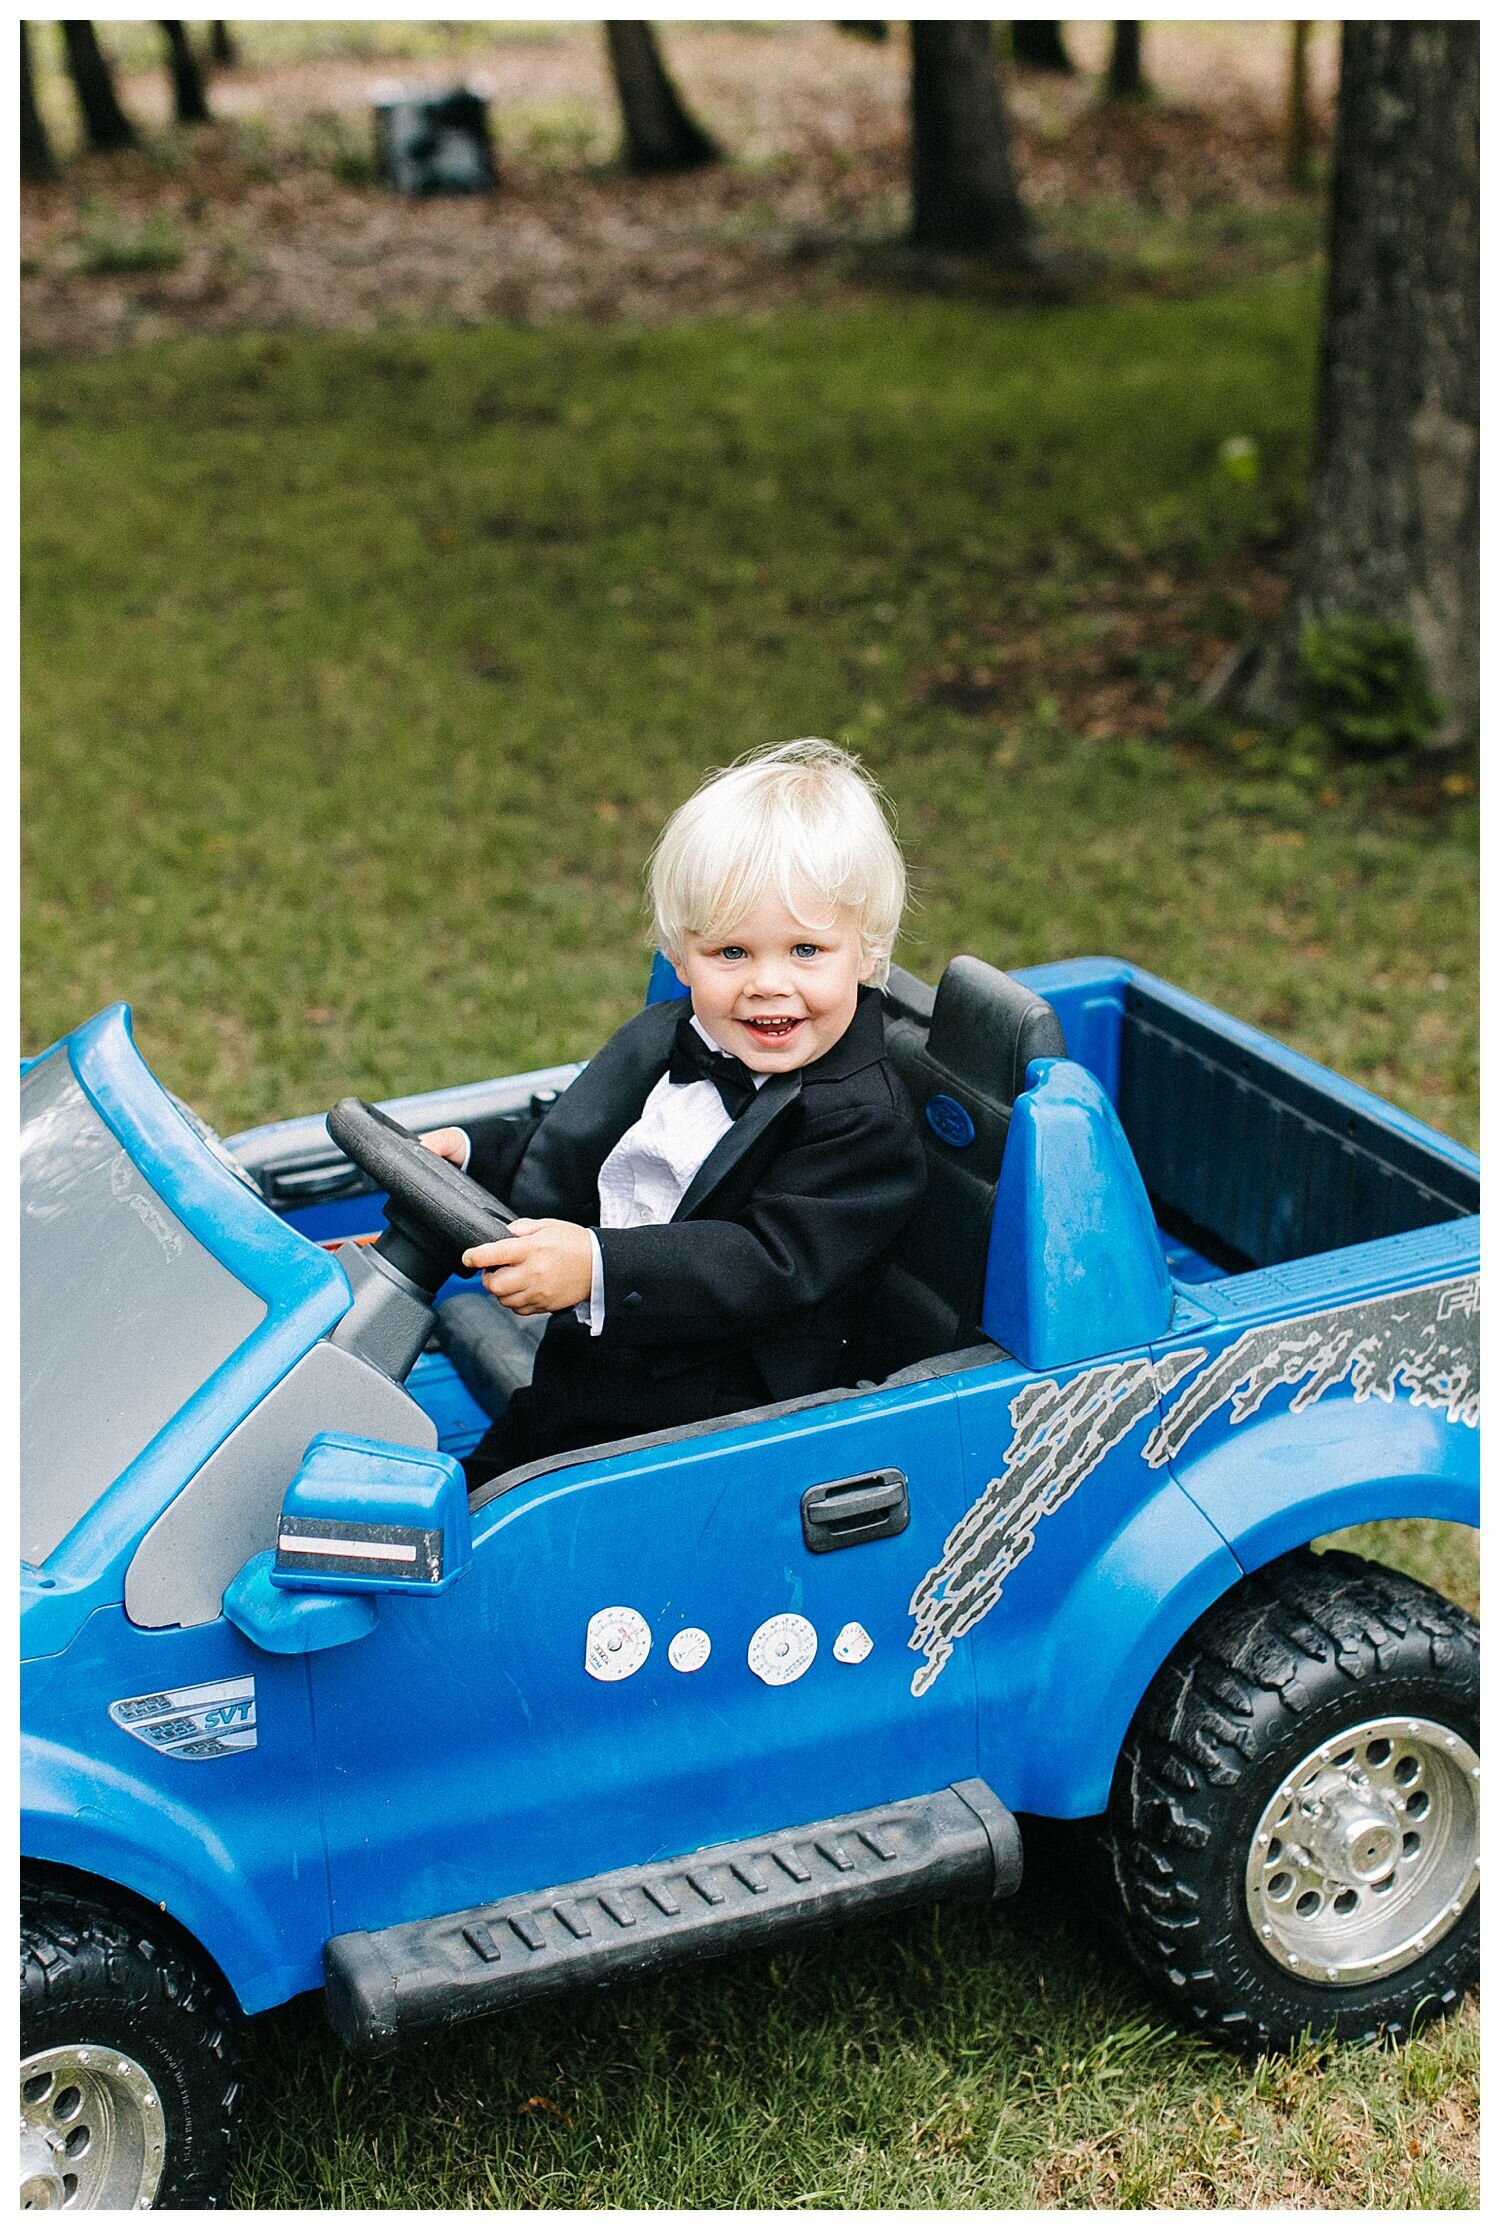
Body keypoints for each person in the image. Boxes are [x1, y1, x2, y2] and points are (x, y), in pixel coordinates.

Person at [422, 739, 926, 1484]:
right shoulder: (670, 1038)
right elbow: (573, 1139)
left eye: (805, 950)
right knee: (494, 1477)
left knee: (535, 1508)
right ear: (681, 955)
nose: (767, 984)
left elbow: (767, 1264)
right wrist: (473, 1155)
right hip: (604, 1349)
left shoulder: (862, 1118)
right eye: (731, 953)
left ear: (867, 951)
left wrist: (597, 1265)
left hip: (723, 1408)